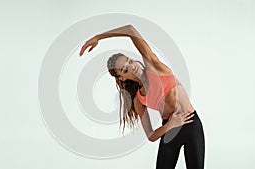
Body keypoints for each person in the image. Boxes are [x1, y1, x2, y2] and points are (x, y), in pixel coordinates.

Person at [79, 25, 205, 169]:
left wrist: (98, 37)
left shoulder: (154, 66)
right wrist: (171, 124)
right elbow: (151, 136)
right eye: (125, 69)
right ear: (122, 78)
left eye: (129, 61)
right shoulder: (138, 99)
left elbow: (130, 30)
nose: (132, 66)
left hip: (190, 124)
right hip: (169, 130)